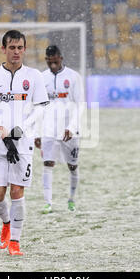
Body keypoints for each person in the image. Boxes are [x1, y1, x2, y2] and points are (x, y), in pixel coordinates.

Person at [0, 30, 49, 256]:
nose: (16, 52)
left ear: (25, 49)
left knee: (17, 191)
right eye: (12, 48)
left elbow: (40, 108)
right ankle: (6, 223)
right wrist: (3, 132)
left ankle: (15, 243)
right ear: (4, 49)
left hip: (24, 142)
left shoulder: (35, 76)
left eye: (20, 48)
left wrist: (21, 130)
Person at [34, 45, 84, 214]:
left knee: (72, 166)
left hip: (70, 131)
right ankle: (48, 203)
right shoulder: (41, 78)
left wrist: (72, 127)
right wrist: (37, 132)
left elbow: (80, 105)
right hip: (49, 130)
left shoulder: (73, 77)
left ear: (61, 58)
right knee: (48, 164)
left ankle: (72, 199)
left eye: (55, 61)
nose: (52, 65)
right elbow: (38, 107)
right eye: (49, 62)